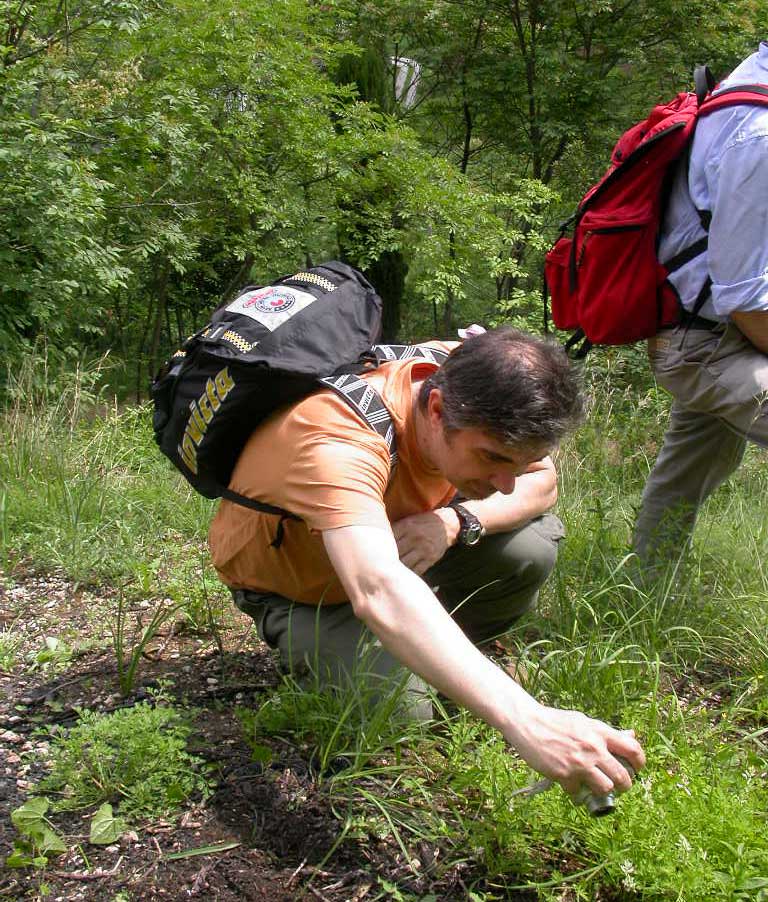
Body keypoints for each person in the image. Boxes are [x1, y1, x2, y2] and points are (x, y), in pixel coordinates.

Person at [209, 326, 645, 801]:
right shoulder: (336, 437)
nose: (506, 483)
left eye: (519, 464)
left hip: (396, 550)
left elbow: (544, 486)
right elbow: (378, 590)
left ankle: (450, 658)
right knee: (403, 717)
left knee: (530, 546)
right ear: (435, 410)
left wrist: (457, 520)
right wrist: (528, 720)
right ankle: (360, 653)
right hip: (307, 590)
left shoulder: (463, 370)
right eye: (493, 459)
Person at [633, 43, 768, 563]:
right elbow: (747, 298)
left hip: (709, 330)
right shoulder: (756, 133)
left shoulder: (748, 87)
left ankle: (646, 592)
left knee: (685, 473)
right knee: (685, 471)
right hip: (710, 344)